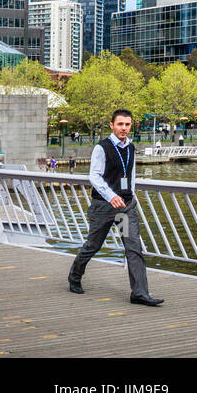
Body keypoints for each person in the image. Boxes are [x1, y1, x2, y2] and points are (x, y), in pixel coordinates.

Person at [68, 109, 163, 306]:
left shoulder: (130, 147)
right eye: (120, 124)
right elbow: (94, 176)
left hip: (125, 209)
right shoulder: (101, 148)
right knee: (93, 245)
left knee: (133, 247)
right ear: (112, 125)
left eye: (127, 124)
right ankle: (75, 276)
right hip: (104, 207)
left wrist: (130, 197)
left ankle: (139, 293)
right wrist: (112, 197)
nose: (124, 128)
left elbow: (131, 174)